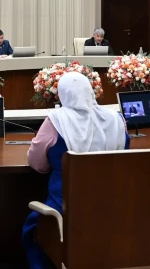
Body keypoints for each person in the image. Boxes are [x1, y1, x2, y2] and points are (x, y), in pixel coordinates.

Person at [22, 72, 129, 268]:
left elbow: (37, 164)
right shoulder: (116, 119)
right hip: (113, 209)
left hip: (65, 212)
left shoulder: (56, 120)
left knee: (34, 229)